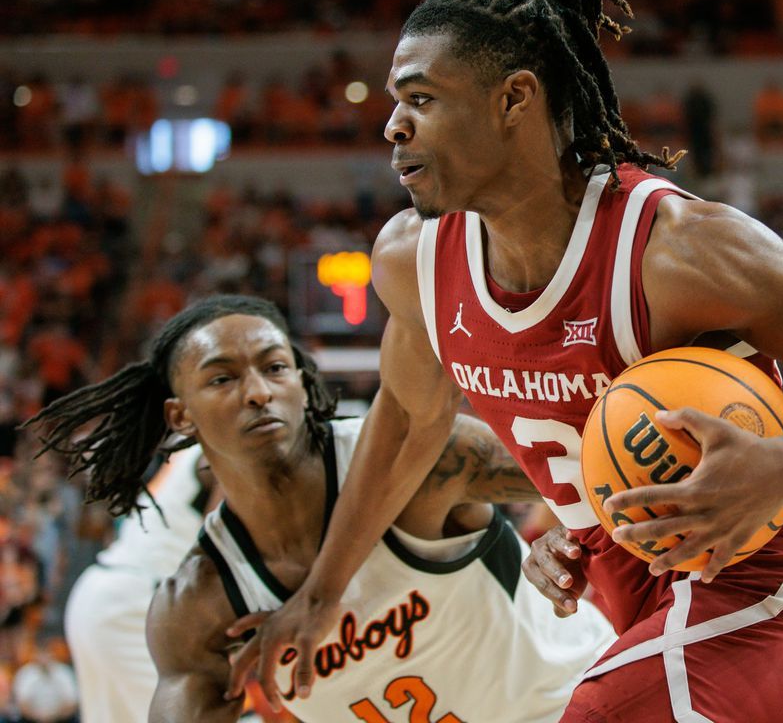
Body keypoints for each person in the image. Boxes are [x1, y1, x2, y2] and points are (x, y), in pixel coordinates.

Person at [229, 0, 783, 722]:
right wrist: (324, 596)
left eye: (420, 98)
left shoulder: (671, 250)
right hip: (665, 617)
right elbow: (405, 424)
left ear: (513, 99)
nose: (393, 126)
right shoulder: (412, 263)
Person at [24, 295, 613, 722]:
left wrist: (561, 537)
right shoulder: (198, 608)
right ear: (180, 416)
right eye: (223, 378)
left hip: (573, 703)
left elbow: (596, 471)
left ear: (304, 382)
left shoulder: (421, 462)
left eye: (275, 367)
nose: (258, 391)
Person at [61, 441, 216, 722]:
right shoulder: (222, 451)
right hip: (135, 605)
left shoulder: (186, 449)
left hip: (106, 593)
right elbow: (228, 555)